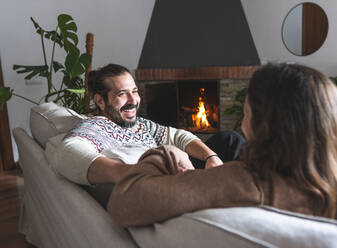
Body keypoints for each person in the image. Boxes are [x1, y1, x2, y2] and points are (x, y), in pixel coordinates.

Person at [107, 63, 337, 227]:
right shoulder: (326, 187)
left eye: (246, 112)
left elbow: (123, 201)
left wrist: (165, 153)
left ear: (262, 124)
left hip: (178, 170)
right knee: (230, 139)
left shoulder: (244, 183)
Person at [51, 64, 244, 207]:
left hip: (183, 171)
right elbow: (66, 153)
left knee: (229, 139)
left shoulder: (140, 124)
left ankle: (256, 185)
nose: (133, 100)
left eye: (134, 91)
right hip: (166, 182)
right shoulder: (95, 127)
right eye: (122, 94)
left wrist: (211, 157)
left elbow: (178, 136)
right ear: (100, 101)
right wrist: (131, 173)